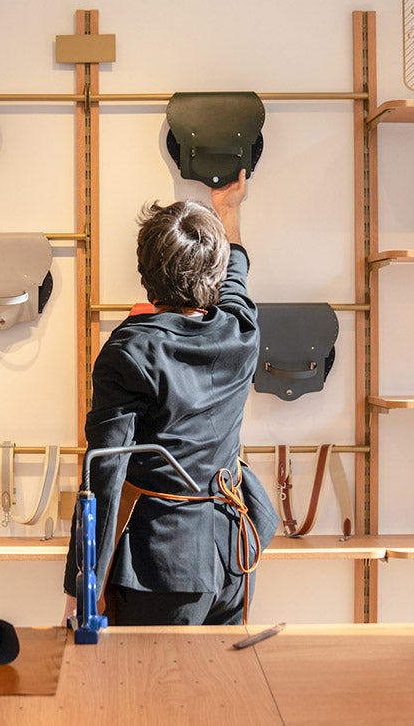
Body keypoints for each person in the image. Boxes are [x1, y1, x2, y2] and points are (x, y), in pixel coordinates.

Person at [62, 170, 277, 626]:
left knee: (148, 677)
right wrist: (229, 212)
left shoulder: (129, 351)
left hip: (159, 568)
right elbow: (236, 273)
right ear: (215, 271)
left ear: (145, 272)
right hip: (233, 557)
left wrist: (81, 586)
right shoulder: (239, 331)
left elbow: (104, 473)